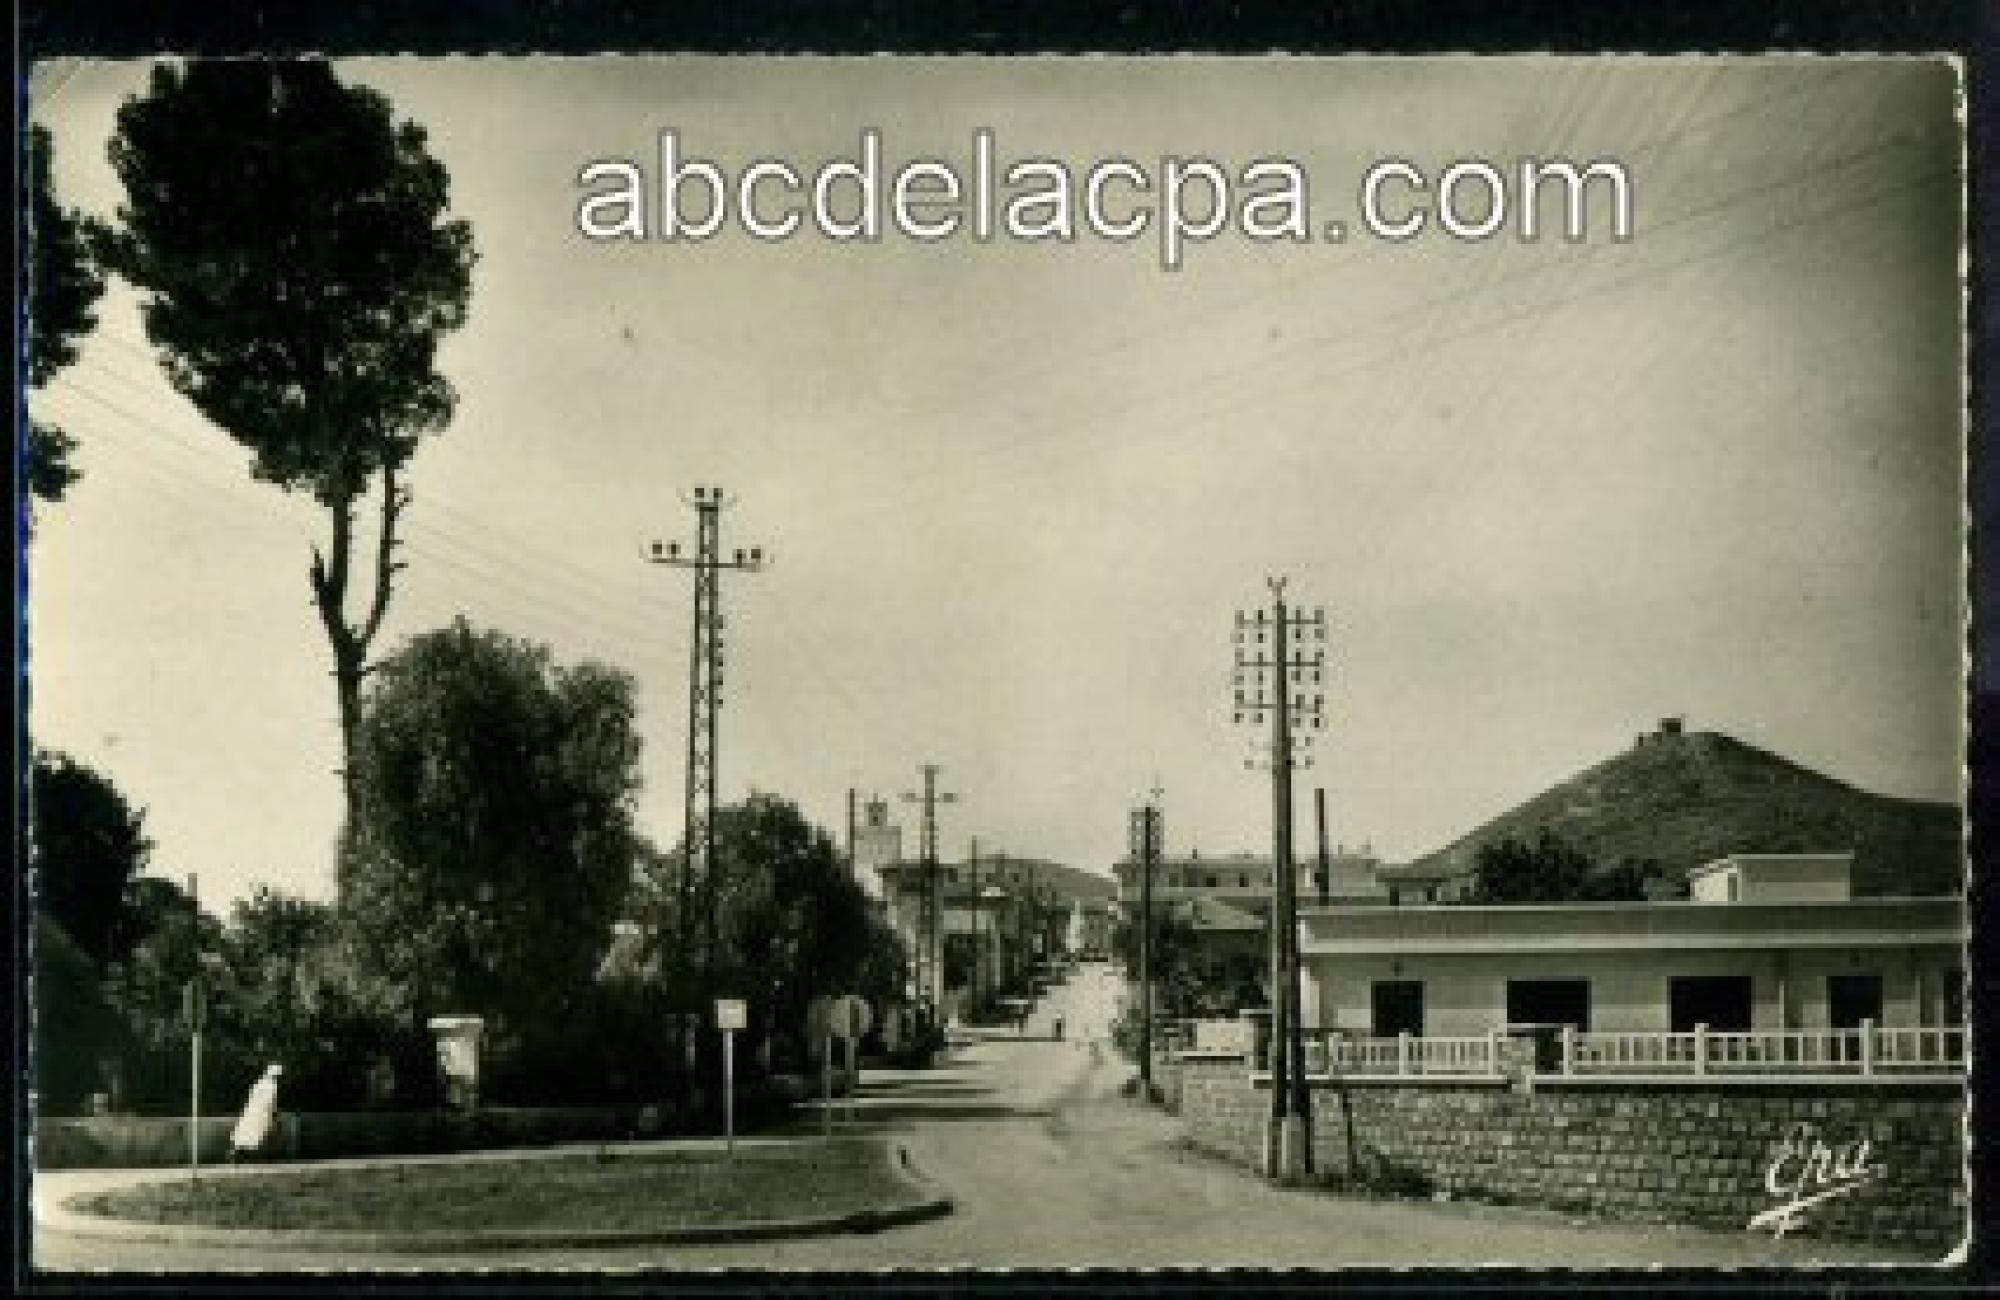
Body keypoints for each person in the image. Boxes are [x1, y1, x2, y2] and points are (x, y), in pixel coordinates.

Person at [229, 1063, 283, 1163]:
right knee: (260, 1134)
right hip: (262, 1113)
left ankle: (240, 1153)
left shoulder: (259, 1084)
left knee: (248, 1132)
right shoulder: (272, 1087)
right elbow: (271, 1102)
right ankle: (260, 1157)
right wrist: (274, 1115)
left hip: (253, 1111)